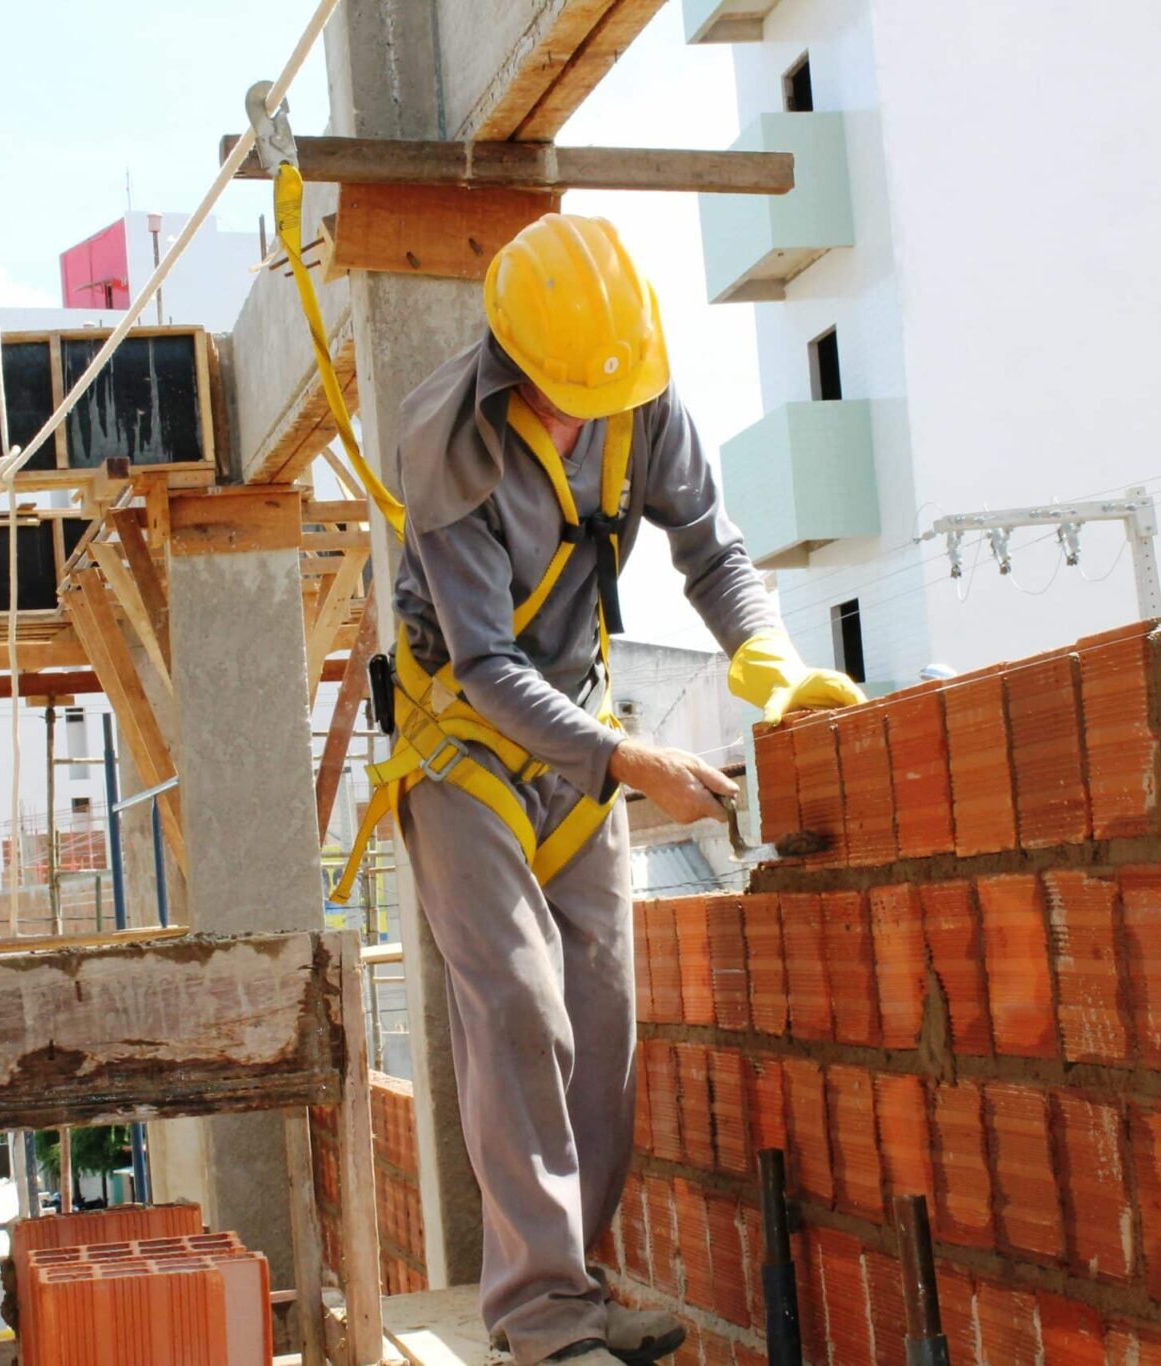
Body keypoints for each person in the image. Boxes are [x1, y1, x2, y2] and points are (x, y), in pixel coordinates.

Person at [374, 214, 863, 1365]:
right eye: (559, 398)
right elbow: (485, 665)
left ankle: (575, 1291)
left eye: (598, 399)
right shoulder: (448, 439)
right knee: (517, 1006)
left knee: (599, 1021)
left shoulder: (638, 397)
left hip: (582, 737)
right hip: (467, 750)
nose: (581, 419)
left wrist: (768, 664)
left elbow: (710, 546)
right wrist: (628, 761)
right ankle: (539, 1320)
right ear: (513, 365)